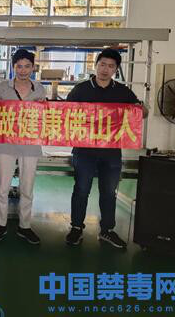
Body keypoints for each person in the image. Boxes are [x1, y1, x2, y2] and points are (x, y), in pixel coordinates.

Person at [65, 48, 148, 249]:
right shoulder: (81, 90)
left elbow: (142, 113)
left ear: (116, 69)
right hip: (84, 151)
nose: (105, 69)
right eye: (102, 64)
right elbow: (64, 113)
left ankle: (107, 230)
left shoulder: (122, 92)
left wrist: (142, 108)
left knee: (109, 192)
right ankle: (76, 227)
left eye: (111, 66)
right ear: (96, 65)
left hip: (111, 152)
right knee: (81, 190)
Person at [0, 49, 45, 245]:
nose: (23, 70)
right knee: (3, 187)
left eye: (27, 66)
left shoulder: (39, 89)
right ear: (13, 67)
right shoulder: (3, 87)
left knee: (27, 188)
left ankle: (25, 226)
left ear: (33, 68)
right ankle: (0, 225)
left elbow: (45, 116)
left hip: (30, 144)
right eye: (19, 66)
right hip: (6, 143)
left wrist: (44, 106)